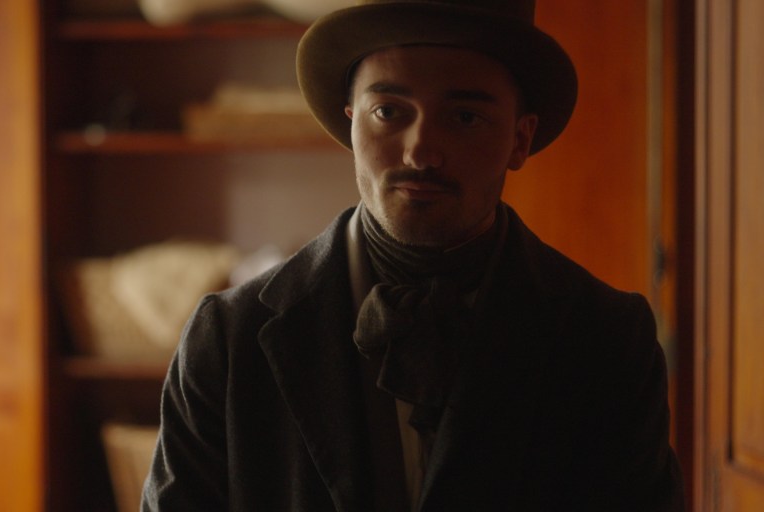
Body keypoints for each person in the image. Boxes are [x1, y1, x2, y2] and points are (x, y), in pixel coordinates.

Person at [141, 0, 685, 510]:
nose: (421, 150)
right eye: (389, 111)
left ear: (520, 139)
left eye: (464, 117)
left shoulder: (608, 339)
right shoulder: (228, 340)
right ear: (350, 120)